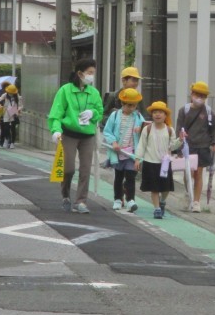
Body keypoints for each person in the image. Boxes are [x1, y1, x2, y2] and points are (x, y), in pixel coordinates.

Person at [48, 59, 103, 214]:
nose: (92, 76)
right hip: (69, 134)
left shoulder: (94, 93)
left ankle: (81, 201)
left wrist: (93, 113)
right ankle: (65, 194)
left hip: (88, 135)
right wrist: (55, 130)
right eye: (89, 73)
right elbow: (56, 113)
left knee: (85, 169)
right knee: (68, 169)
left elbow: (100, 111)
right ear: (80, 73)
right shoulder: (65, 91)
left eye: (93, 73)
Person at [175, 81, 215, 213]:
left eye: (203, 96)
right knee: (188, 173)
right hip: (187, 146)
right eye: (197, 94)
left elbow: (213, 129)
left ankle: (196, 201)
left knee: (198, 173)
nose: (199, 98)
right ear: (192, 94)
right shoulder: (184, 111)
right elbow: (179, 129)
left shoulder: (209, 112)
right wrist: (179, 147)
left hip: (202, 146)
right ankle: (188, 193)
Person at [135, 101, 183, 219]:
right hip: (150, 162)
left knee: (166, 188)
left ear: (165, 115)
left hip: (165, 163)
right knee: (154, 188)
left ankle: (162, 201)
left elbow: (172, 146)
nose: (157, 114)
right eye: (155, 112)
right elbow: (141, 145)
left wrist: (180, 140)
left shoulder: (169, 130)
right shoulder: (147, 129)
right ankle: (157, 208)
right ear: (152, 115)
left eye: (160, 112)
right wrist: (137, 159)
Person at [102, 88, 145, 213]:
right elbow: (107, 131)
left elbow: (146, 129)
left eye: (134, 105)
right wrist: (113, 142)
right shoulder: (115, 115)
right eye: (129, 105)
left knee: (130, 176)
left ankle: (130, 200)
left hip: (131, 153)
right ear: (122, 103)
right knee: (119, 176)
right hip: (118, 152)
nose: (131, 108)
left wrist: (140, 129)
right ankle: (117, 199)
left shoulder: (138, 116)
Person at [0, 84, 21, 149]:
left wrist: (18, 109)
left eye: (11, 92)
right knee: (6, 128)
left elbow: (20, 105)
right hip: (5, 113)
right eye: (9, 92)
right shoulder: (5, 95)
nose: (10, 94)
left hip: (13, 113)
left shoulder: (18, 97)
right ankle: (7, 139)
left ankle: (12, 143)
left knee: (13, 128)